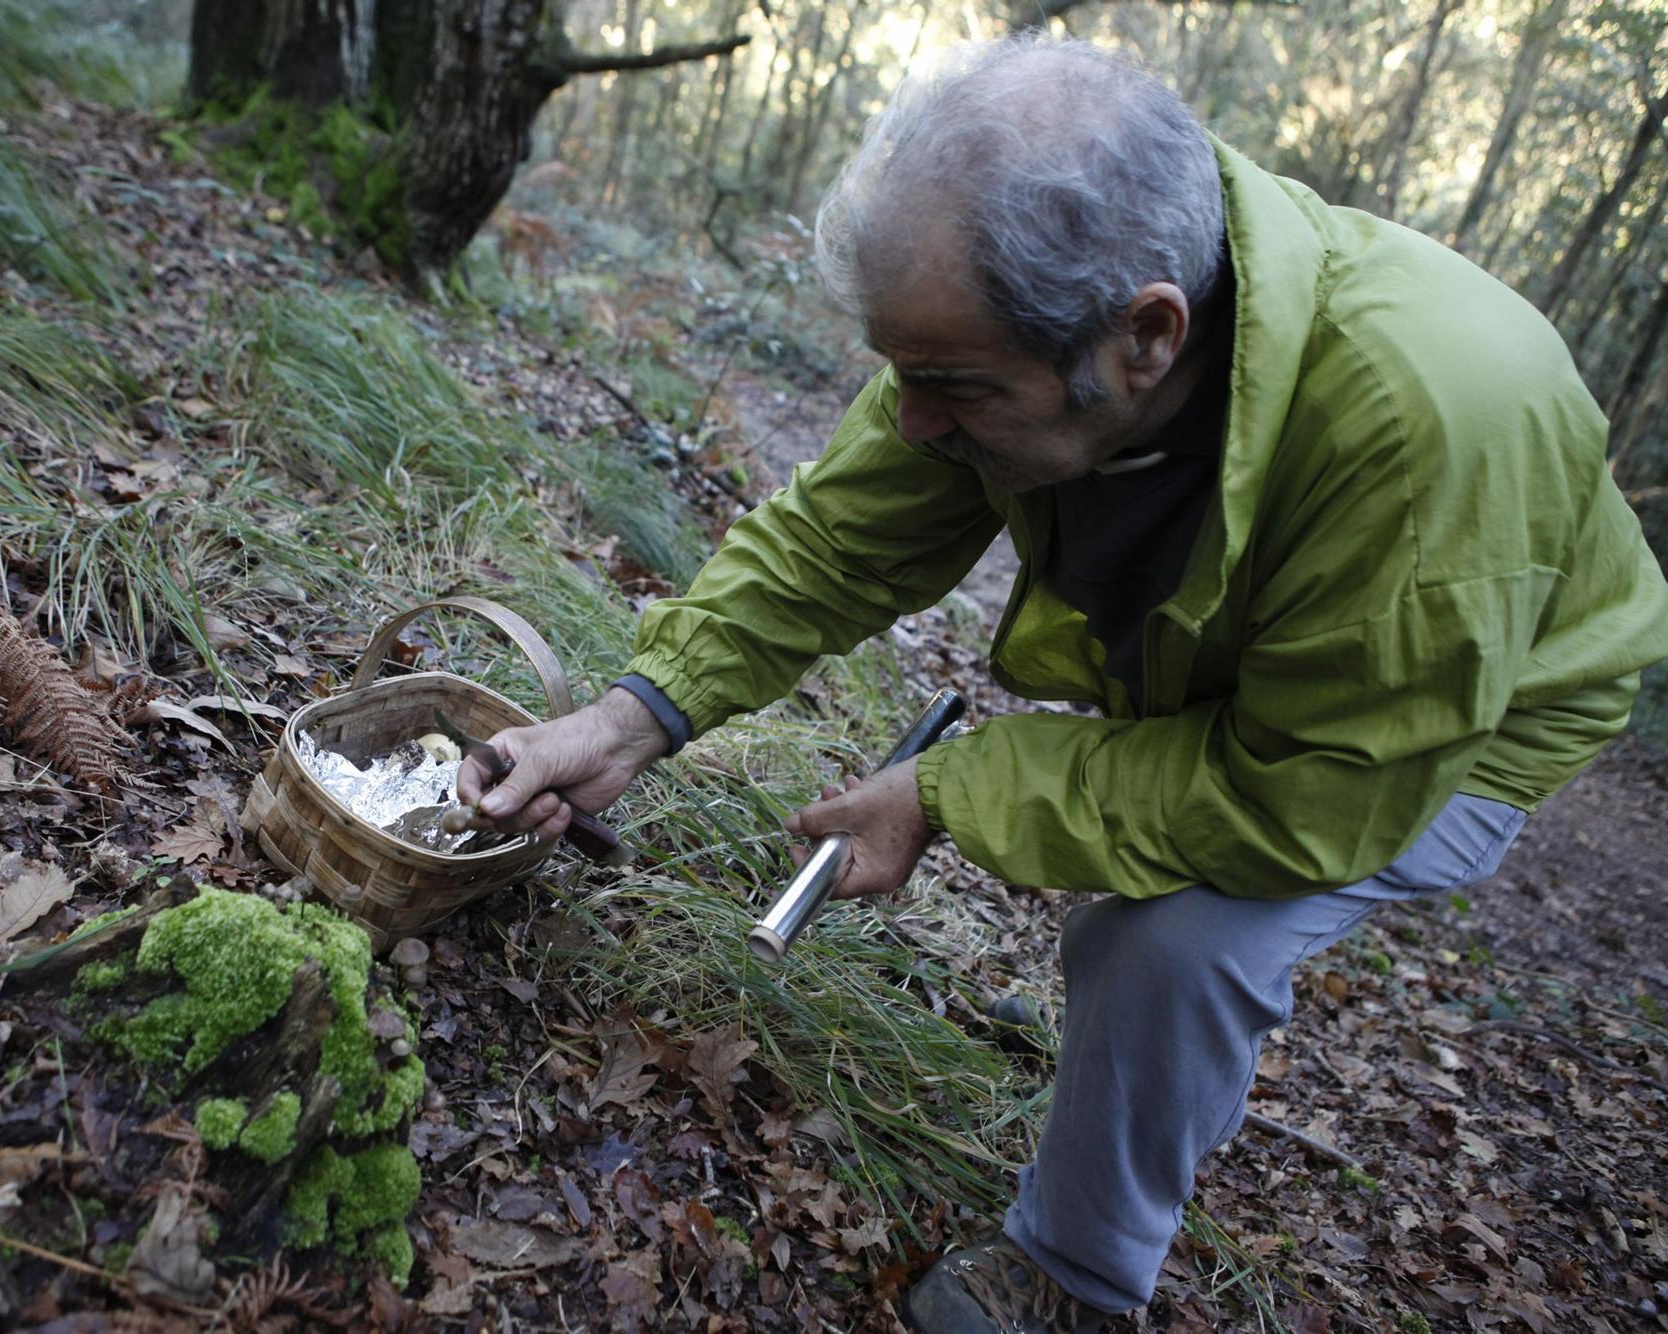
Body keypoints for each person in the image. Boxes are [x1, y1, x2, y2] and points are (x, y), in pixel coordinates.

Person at [455, 32, 1668, 1333]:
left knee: (1174, 936)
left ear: (1148, 334)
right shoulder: (1018, 310)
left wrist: (952, 789)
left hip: (1464, 714)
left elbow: (1308, 795)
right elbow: (834, 540)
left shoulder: (1429, 427)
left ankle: (1076, 1276)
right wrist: (634, 714)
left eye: (953, 387)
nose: (914, 419)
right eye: (902, 373)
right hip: (1258, 649)